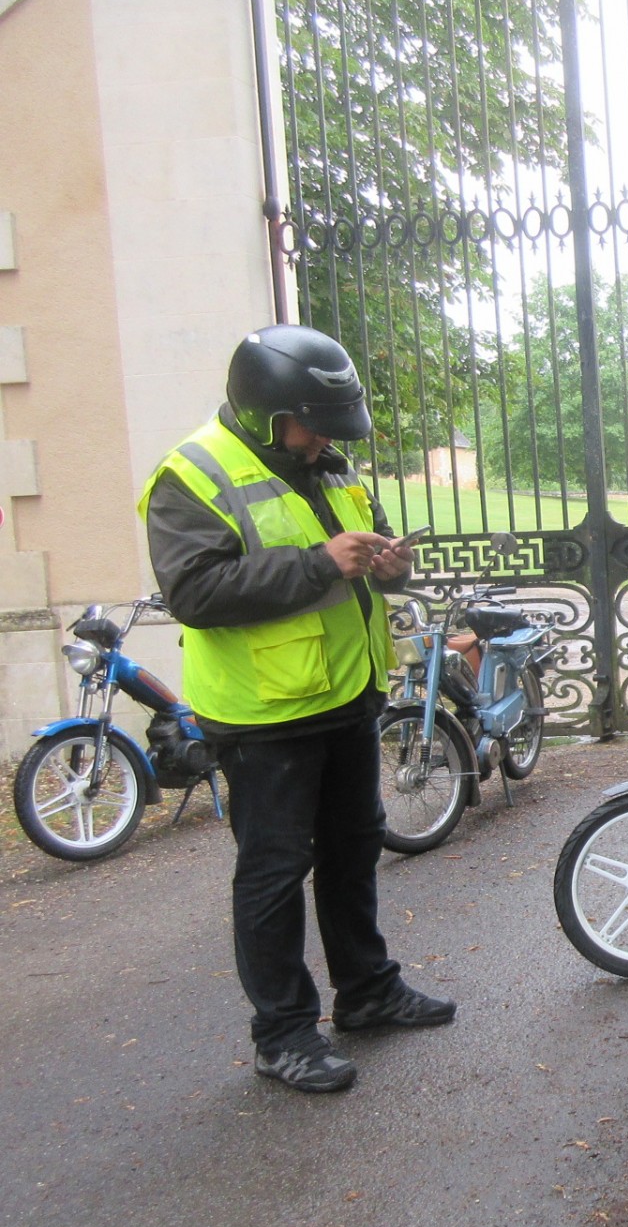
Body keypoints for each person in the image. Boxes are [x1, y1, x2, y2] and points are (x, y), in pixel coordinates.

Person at [138, 325, 454, 1094]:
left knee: (354, 847)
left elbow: (367, 575)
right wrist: (319, 564)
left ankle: (368, 992)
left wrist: (390, 568)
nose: (323, 442)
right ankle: (281, 1033)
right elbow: (195, 594)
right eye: (313, 426)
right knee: (275, 871)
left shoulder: (327, 463)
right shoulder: (193, 474)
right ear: (264, 413)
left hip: (345, 696)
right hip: (262, 715)